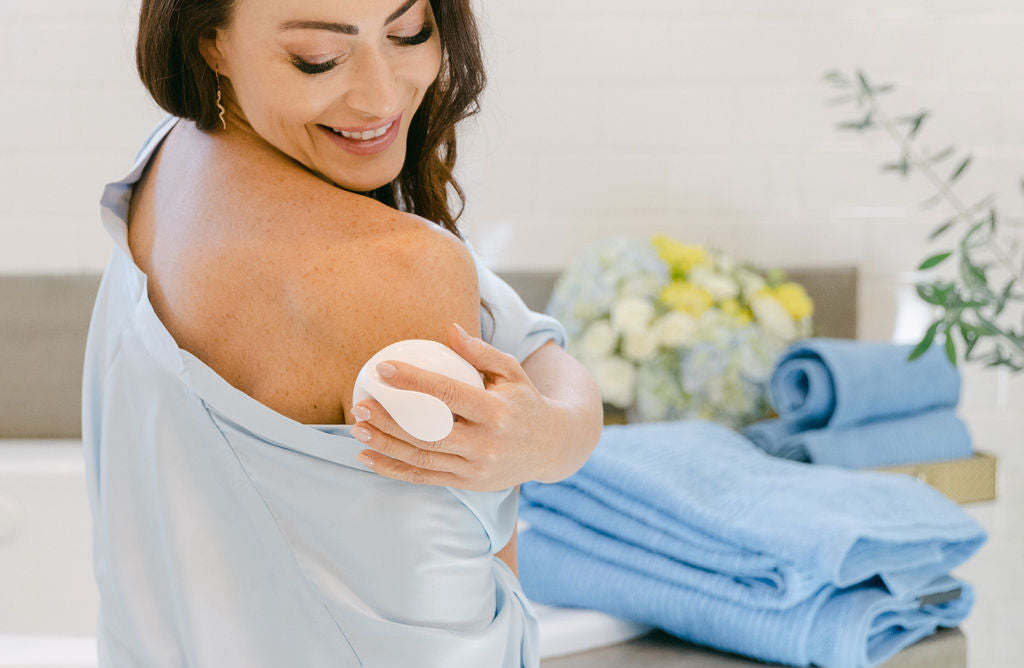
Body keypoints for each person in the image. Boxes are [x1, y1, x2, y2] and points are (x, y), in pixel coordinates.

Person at [81, 0, 603, 665]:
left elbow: (522, 339)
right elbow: (450, 637)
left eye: (408, 32)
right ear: (212, 43)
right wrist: (545, 449)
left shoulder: (174, 156)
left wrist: (555, 436)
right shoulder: (387, 271)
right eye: (319, 58)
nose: (382, 96)